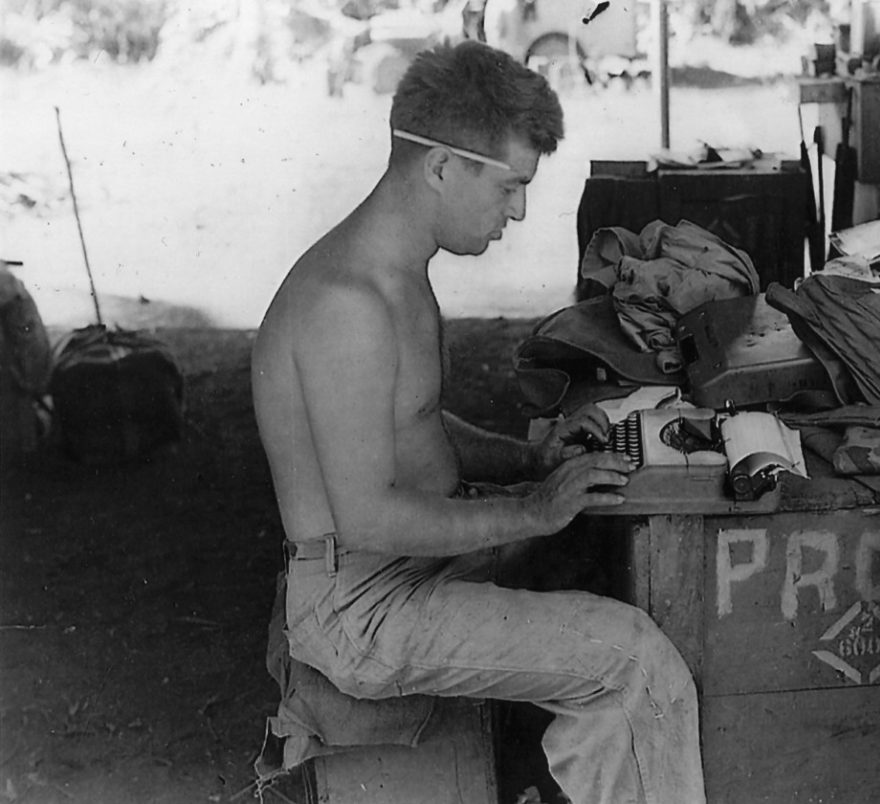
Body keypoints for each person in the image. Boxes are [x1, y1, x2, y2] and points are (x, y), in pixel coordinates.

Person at [251, 41, 706, 804]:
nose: (518, 211)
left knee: (599, 557)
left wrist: (532, 460)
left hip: (404, 569)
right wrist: (531, 511)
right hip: (363, 607)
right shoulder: (345, 305)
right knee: (634, 664)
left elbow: (413, 421)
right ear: (440, 166)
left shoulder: (393, 273)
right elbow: (367, 518)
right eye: (509, 186)